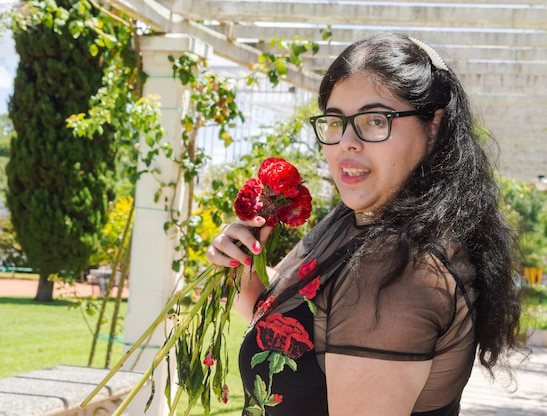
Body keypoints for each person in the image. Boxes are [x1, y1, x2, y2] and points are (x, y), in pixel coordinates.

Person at [206, 32, 523, 416]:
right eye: (336, 122)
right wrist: (243, 264)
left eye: (375, 120)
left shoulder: (395, 267)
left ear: (434, 125)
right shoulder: (360, 223)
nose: (346, 143)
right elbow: (298, 327)